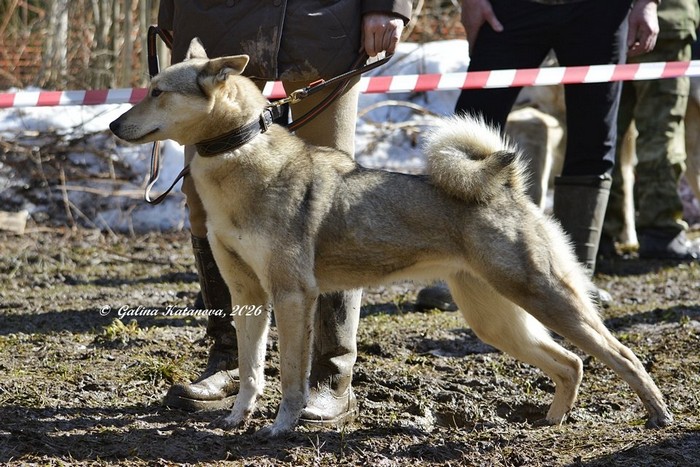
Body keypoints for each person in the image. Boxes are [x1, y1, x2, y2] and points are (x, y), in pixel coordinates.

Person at [157, 0, 412, 427]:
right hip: (217, 19)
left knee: (334, 205)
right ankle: (229, 359)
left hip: (324, 24)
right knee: (203, 205)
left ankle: (331, 375)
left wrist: (388, 4)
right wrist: (174, 16)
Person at [416, 0, 660, 311]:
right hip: (511, 8)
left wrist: (647, 3)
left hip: (601, 10)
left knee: (595, 135)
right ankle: (457, 272)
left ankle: (574, 279)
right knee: (472, 123)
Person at [602, 0, 700, 261]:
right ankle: (659, 231)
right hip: (664, 23)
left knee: (603, 135)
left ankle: (600, 234)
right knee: (659, 134)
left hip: (603, 24)